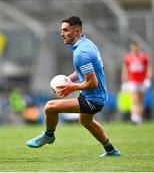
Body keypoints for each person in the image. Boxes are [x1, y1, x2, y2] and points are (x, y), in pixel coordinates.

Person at [27, 16, 121, 157]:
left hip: (93, 99)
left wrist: (72, 87)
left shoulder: (81, 53)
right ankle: (111, 150)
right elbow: (81, 72)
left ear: (77, 31)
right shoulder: (85, 44)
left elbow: (92, 83)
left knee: (50, 107)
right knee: (85, 121)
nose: (61, 34)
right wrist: (68, 80)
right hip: (95, 95)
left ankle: (48, 135)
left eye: (65, 30)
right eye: (61, 30)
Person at [121, 41, 152, 124]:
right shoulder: (128, 57)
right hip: (132, 81)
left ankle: (139, 117)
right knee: (134, 99)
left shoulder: (144, 57)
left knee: (141, 100)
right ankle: (134, 117)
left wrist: (148, 78)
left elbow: (148, 68)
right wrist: (124, 81)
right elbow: (125, 69)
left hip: (142, 81)